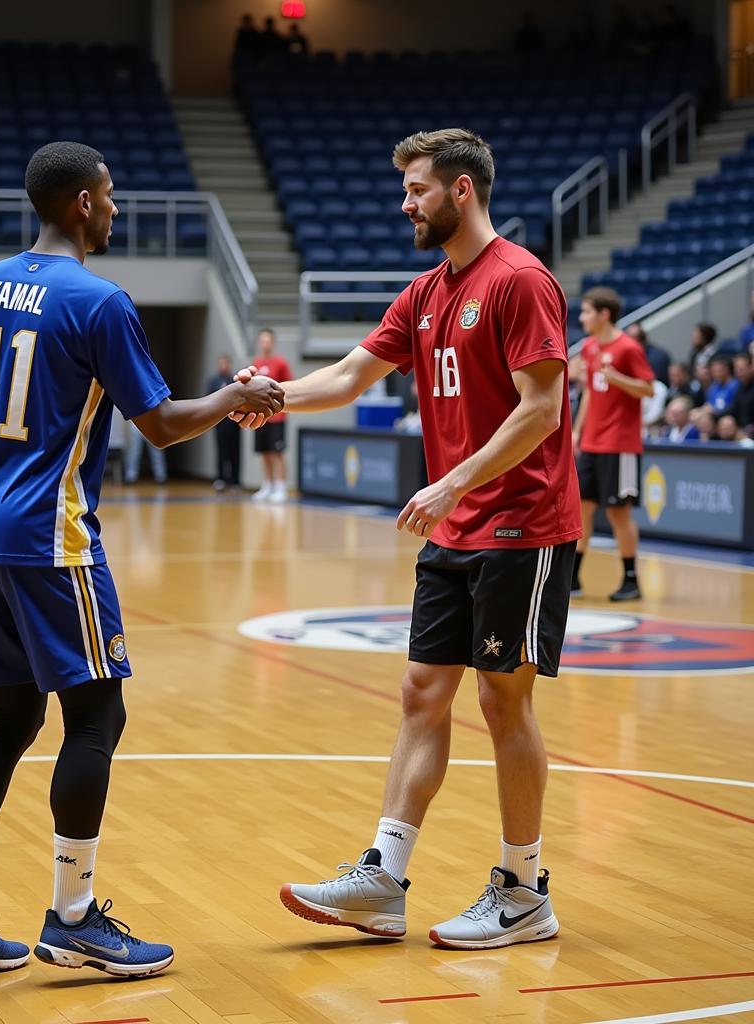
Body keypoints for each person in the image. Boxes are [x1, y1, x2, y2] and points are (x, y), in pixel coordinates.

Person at [0, 141, 282, 974]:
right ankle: (73, 917)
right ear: (80, 203)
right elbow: (160, 423)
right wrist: (233, 398)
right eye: (108, 197)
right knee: (97, 717)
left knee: (11, 719)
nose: (114, 210)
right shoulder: (100, 300)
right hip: (51, 539)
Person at [238, 128, 581, 949]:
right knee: (422, 694)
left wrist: (455, 479)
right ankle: (384, 880)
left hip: (520, 524)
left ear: (462, 191)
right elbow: (352, 374)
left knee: (505, 700)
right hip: (456, 525)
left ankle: (525, 890)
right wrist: (272, 396)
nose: (405, 204)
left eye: (418, 190)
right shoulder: (424, 292)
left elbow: (542, 408)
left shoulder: (521, 280)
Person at [572, 287, 654, 602]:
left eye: (587, 312)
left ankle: (631, 580)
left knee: (619, 513)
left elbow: (648, 389)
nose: (582, 318)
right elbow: (592, 393)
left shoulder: (629, 348)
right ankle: (574, 578)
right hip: (592, 441)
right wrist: (578, 431)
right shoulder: (591, 348)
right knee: (582, 509)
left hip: (620, 444)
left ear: (604, 314)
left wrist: (619, 379)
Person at [250, 328, 292, 502]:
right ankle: (267, 485)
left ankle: (281, 486)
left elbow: (288, 386)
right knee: (265, 452)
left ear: (272, 342)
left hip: (278, 418)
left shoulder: (280, 363)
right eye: (263, 340)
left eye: (268, 340)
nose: (265, 343)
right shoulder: (256, 363)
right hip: (261, 418)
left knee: (277, 452)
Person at [208, 354, 240, 490]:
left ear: (229, 364)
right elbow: (208, 401)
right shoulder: (213, 381)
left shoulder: (235, 381)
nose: (223, 366)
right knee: (221, 451)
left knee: (235, 452)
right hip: (219, 423)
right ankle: (220, 479)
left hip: (234, 423)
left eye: (225, 363)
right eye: (220, 363)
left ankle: (235, 481)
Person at [123, 418, 167, 484]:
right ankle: (130, 477)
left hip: (151, 422)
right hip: (136, 422)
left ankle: (161, 476)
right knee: (134, 451)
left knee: (156, 450)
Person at [732, 352, 754, 434]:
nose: (739, 372)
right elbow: (734, 408)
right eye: (736, 369)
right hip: (742, 432)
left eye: (742, 369)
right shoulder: (740, 387)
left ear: (751, 367)